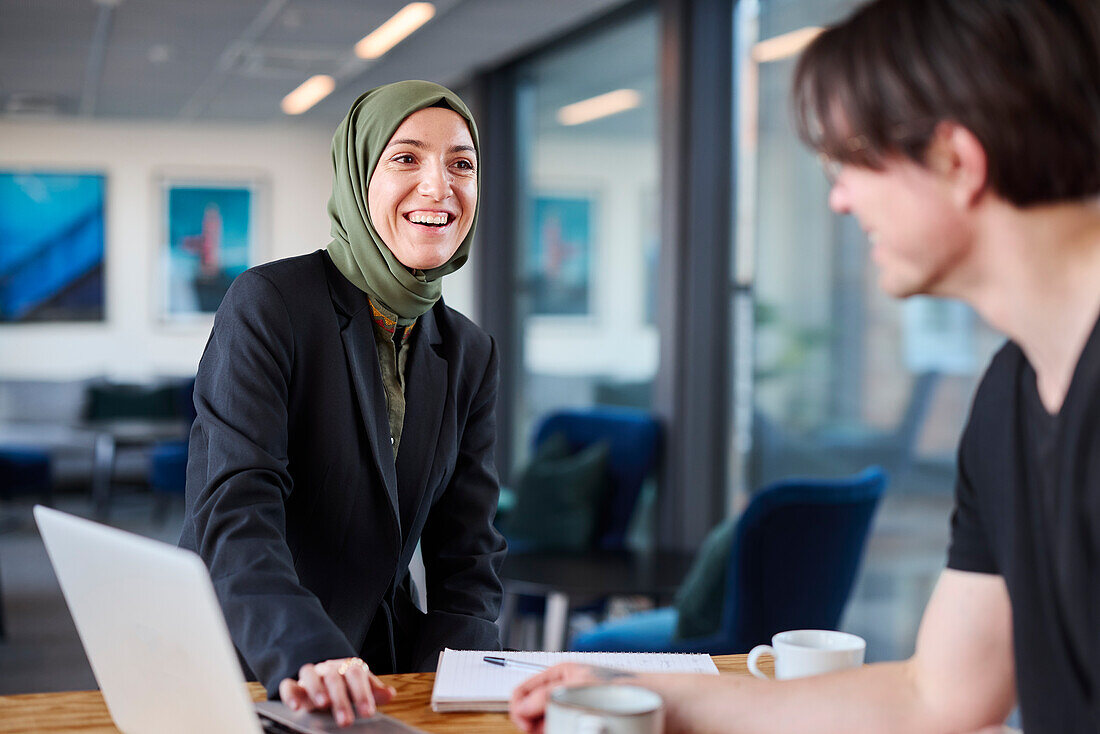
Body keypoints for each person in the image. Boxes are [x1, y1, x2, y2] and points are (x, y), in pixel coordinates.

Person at [510, 0, 1100, 732]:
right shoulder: (1009, 396)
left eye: (854, 161)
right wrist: (648, 689)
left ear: (957, 161)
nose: (840, 199)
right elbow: (937, 695)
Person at [180, 80, 507, 728]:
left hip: (384, 673)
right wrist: (307, 653)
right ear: (358, 177)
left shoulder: (468, 351)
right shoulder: (269, 305)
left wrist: (453, 693)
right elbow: (234, 510)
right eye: (406, 158)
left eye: (461, 164)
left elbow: (468, 554)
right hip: (250, 662)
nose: (439, 187)